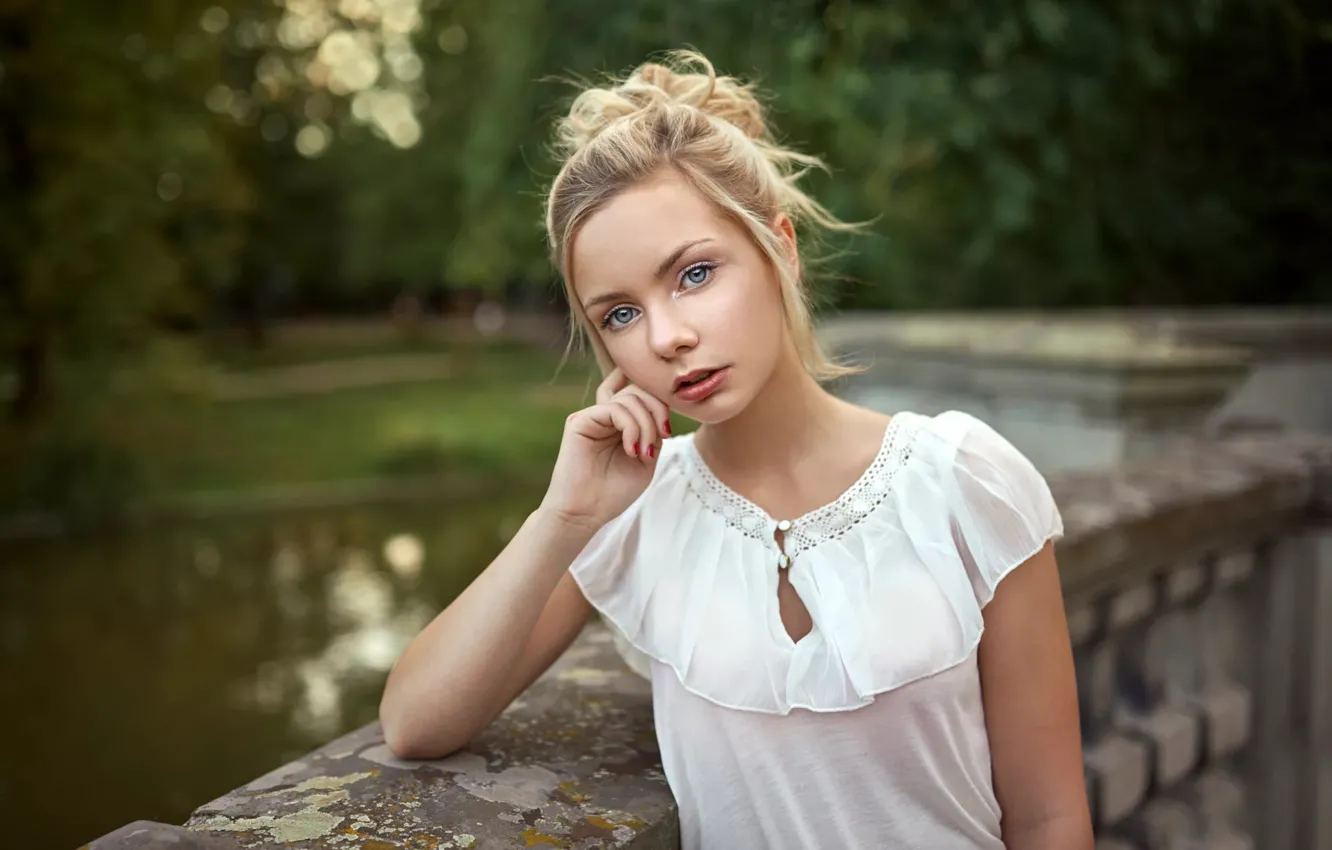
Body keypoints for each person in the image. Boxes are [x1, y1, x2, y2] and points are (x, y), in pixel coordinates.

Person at [379, 50, 1093, 850]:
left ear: (779, 250)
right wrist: (565, 515)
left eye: (694, 274)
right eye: (619, 315)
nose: (666, 336)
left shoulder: (963, 480)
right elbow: (414, 722)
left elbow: (1049, 817)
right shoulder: (635, 512)